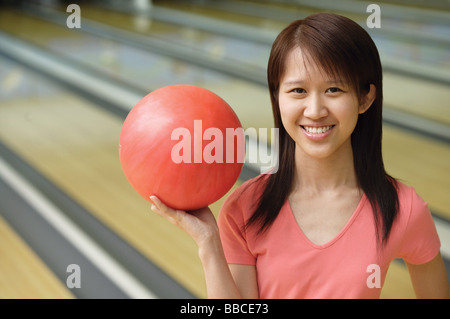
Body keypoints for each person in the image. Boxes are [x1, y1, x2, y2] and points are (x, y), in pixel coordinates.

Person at [150, 13, 449, 298]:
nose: (315, 111)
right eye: (298, 91)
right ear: (276, 96)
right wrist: (208, 244)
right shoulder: (245, 208)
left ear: (364, 98)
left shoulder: (402, 209)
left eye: (333, 89)